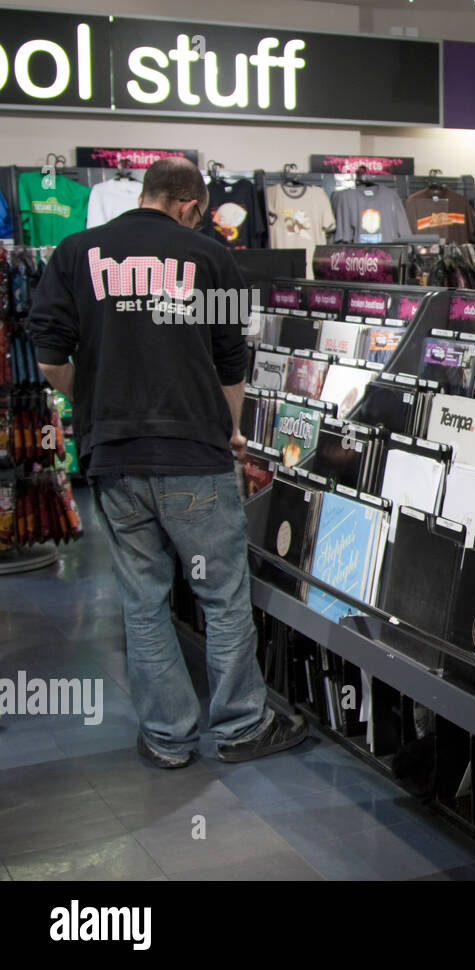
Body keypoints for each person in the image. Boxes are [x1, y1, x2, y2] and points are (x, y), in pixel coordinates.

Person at [29, 157, 306, 769]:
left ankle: (167, 737)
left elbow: (49, 357)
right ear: (187, 205)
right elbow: (231, 359)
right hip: (192, 456)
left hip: (114, 457)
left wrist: (95, 400)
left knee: (144, 600)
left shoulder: (77, 252)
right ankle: (239, 726)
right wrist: (231, 428)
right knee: (222, 597)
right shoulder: (208, 258)